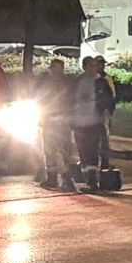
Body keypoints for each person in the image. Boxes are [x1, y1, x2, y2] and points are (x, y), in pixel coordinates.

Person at [73, 56, 116, 180]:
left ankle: (92, 178)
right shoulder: (78, 82)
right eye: (91, 66)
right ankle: (86, 174)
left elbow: (110, 99)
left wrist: (106, 113)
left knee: (93, 150)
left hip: (95, 122)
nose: (94, 69)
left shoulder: (101, 82)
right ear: (85, 67)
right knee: (83, 149)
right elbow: (69, 99)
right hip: (80, 121)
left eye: (95, 66)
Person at [37, 57, 76, 189]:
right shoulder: (45, 84)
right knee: (49, 151)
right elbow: (40, 101)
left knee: (64, 151)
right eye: (54, 68)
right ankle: (52, 177)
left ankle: (67, 177)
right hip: (49, 122)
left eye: (58, 68)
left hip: (63, 122)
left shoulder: (67, 83)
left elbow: (71, 102)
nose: (56, 71)